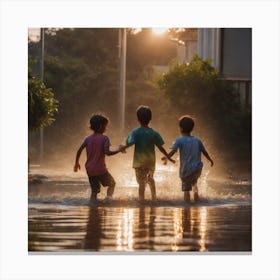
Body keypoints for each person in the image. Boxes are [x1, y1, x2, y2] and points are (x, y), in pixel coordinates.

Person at [123, 105, 175, 201]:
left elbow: (129, 143)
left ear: (137, 119)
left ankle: (141, 200)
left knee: (141, 183)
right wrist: (168, 157)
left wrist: (123, 148)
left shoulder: (135, 132)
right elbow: (160, 147)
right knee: (150, 179)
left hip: (139, 163)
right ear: (150, 118)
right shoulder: (154, 133)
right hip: (150, 163)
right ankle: (154, 198)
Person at [162, 115, 214, 203]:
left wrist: (167, 157)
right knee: (194, 185)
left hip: (186, 170)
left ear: (181, 128)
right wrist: (210, 160)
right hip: (197, 169)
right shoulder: (197, 140)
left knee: (186, 190)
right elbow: (204, 152)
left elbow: (173, 151)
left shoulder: (179, 140)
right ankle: (197, 202)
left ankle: (187, 206)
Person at [74, 114, 124, 201]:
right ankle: (108, 200)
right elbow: (107, 153)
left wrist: (76, 163)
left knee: (95, 191)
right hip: (100, 169)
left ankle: (92, 206)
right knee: (112, 184)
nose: (106, 128)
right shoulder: (105, 138)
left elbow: (79, 151)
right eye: (105, 126)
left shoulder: (87, 139)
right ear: (101, 126)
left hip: (90, 169)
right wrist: (118, 150)